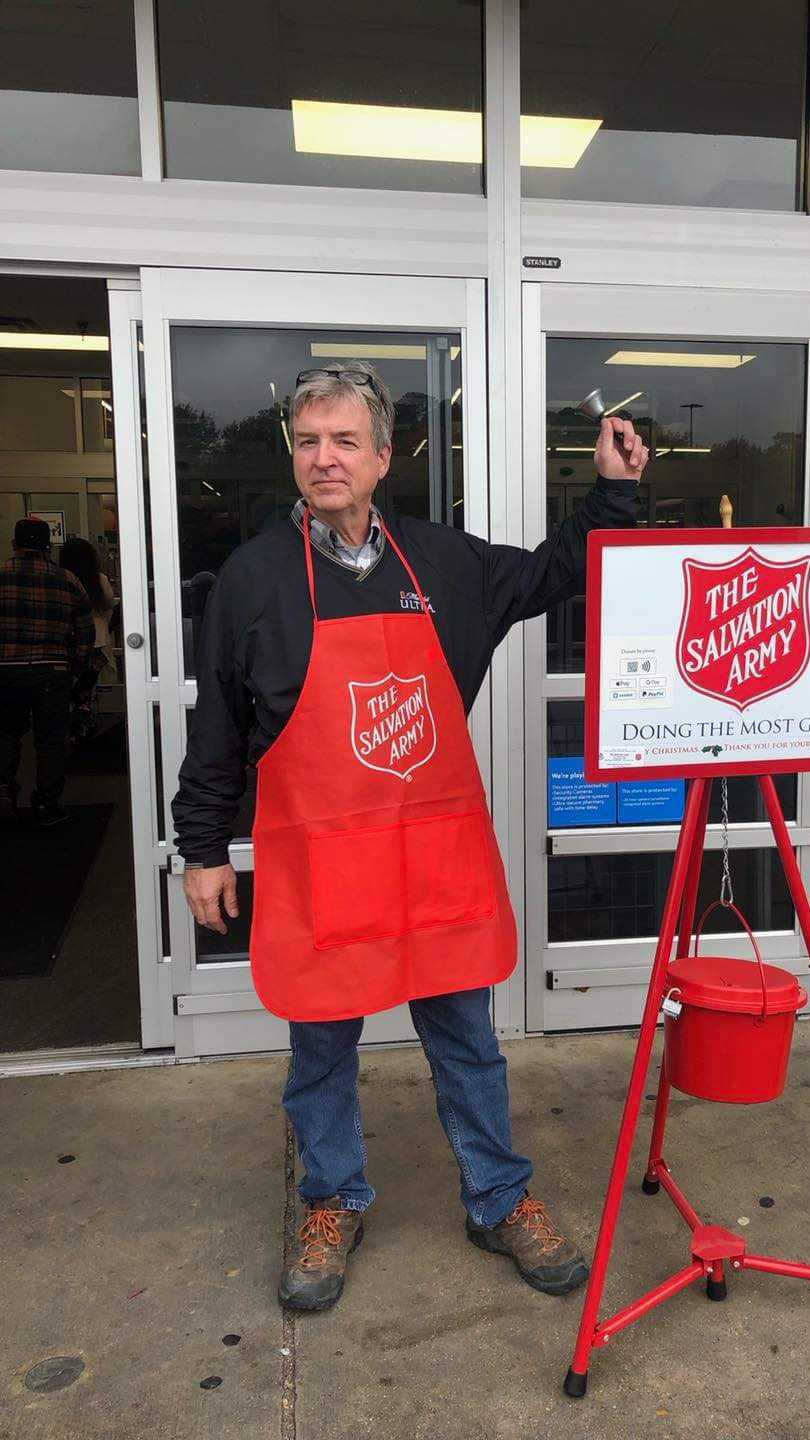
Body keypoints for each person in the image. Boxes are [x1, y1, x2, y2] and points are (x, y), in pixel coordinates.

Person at [172, 360, 649, 1313]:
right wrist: (203, 848)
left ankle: (498, 1195)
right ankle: (331, 1199)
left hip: (433, 860)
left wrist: (614, 495)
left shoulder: (443, 563)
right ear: (292, 456)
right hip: (322, 867)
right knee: (321, 1047)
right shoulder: (256, 580)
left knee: (468, 1038)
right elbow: (218, 727)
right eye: (308, 441)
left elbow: (558, 571)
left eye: (345, 440)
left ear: (385, 456)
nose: (325, 458)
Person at [0, 517, 95, 825]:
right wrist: (74, 668)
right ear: (48, 546)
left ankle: (4, 791)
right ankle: (46, 802)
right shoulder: (66, 579)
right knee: (51, 739)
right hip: (52, 670)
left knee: (5, 734)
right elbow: (85, 630)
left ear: (14, 544)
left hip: (5, 670)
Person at [58, 536, 116, 740]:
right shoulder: (99, 579)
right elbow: (109, 604)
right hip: (97, 642)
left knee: (70, 688)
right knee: (86, 689)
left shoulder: (60, 579)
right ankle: (84, 724)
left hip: (68, 643)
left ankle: (72, 726)